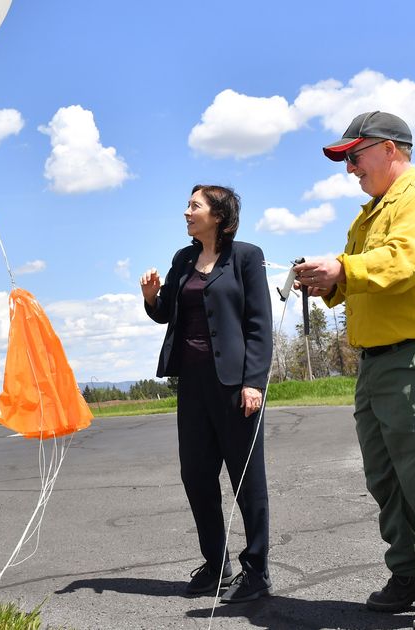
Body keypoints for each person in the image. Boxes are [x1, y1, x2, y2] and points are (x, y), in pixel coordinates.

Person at [294, 111, 415, 630]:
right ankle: (410, 575)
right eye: (346, 159)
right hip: (378, 362)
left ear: (389, 149)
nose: (350, 168)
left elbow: (403, 262)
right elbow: (360, 272)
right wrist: (327, 279)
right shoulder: (372, 212)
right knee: (387, 477)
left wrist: (344, 268)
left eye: (354, 156)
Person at [140, 184, 273, 604]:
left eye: (194, 206)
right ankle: (217, 566)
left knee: (247, 480)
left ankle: (257, 572)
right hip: (192, 386)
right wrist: (149, 298)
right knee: (196, 477)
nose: (186, 212)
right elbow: (167, 313)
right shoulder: (183, 259)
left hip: (235, 387)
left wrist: (254, 381)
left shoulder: (247, 257)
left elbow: (259, 324)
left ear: (217, 214)